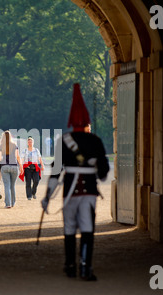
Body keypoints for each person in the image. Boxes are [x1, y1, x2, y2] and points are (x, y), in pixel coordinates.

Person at [41, 83, 109, 281]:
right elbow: (104, 173)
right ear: (87, 121)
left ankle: (70, 265)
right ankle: (86, 267)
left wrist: (47, 197)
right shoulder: (95, 140)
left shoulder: (64, 140)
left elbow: (55, 172)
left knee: (69, 228)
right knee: (87, 229)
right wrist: (95, 166)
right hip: (88, 192)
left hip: (69, 191)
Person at [0, 131, 23, 208]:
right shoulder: (14, 145)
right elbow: (17, 157)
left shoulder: (1, 146)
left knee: (7, 186)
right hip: (14, 166)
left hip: (4, 167)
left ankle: (7, 204)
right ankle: (13, 203)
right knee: (12, 186)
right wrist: (21, 166)